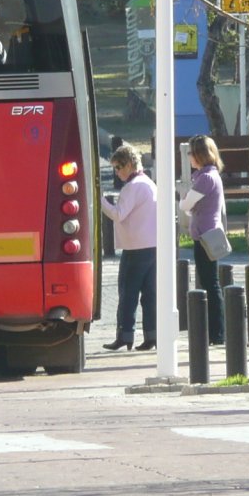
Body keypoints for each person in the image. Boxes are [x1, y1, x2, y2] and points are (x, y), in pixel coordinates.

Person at [100, 144, 157, 352]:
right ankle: (152, 334)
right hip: (152, 246)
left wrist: (101, 201)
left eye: (118, 167)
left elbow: (118, 214)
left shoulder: (132, 187)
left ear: (130, 164)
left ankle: (125, 335)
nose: (116, 172)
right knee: (150, 293)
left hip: (135, 247)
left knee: (128, 292)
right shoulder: (149, 183)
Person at [178, 135, 226, 345]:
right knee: (209, 283)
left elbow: (185, 205)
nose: (189, 157)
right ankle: (215, 331)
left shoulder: (205, 178)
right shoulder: (209, 175)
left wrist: (182, 196)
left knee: (211, 284)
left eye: (191, 153)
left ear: (198, 155)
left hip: (206, 236)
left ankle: (217, 332)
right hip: (207, 233)